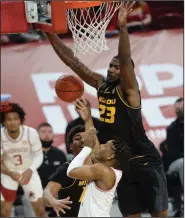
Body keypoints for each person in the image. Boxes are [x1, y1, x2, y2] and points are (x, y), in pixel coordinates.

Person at [45, 2, 168, 216]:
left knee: (160, 214)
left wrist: (122, 27)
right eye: (110, 65)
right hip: (120, 163)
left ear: (125, 72)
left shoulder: (130, 90)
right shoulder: (102, 84)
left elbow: (126, 60)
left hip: (144, 159)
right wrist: (50, 35)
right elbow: (73, 63)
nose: (111, 69)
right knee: (130, 214)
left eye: (117, 67)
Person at [67, 100, 128, 217]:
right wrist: (88, 119)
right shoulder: (108, 169)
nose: (101, 145)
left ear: (110, 156)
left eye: (106, 145)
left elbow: (71, 171)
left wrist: (86, 148)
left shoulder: (102, 171)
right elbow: (95, 147)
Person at [0, 103, 46, 217]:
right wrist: (9, 173)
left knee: (40, 210)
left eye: (16, 118)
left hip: (29, 171)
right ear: (4, 122)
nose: (13, 122)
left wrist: (30, 169)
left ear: (21, 119)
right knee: (4, 212)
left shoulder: (31, 133)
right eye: (9, 119)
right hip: (8, 173)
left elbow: (39, 155)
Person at [43, 125, 87, 217]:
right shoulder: (66, 169)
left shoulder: (99, 167)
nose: (82, 141)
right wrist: (53, 201)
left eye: (86, 138)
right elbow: (46, 194)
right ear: (71, 146)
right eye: (78, 138)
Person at [37, 122, 67, 189]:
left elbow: (64, 176)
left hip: (56, 192)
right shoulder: (32, 153)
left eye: (50, 132)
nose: (47, 134)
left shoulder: (60, 154)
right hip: (36, 192)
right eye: (43, 132)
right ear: (37, 135)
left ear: (53, 135)